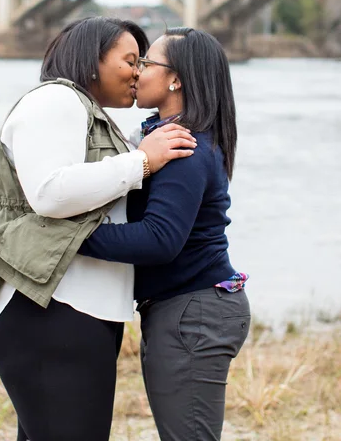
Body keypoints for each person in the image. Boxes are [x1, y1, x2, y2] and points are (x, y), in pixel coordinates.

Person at [0, 16, 196, 441]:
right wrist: (141, 161)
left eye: (143, 62)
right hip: (42, 304)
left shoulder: (90, 115)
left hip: (68, 308)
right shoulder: (56, 101)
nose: (138, 72)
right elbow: (50, 193)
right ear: (92, 60)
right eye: (129, 60)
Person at [79, 27, 250, 441]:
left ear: (176, 79)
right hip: (189, 309)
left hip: (193, 313)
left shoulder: (182, 146)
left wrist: (74, 238)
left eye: (147, 62)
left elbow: (160, 239)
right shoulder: (166, 136)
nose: (136, 71)